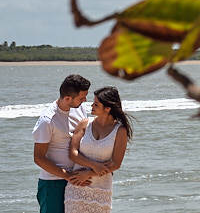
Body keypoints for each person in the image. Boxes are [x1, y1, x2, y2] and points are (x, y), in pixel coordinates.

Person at [63, 87, 132, 213]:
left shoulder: (120, 131)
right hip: (77, 186)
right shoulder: (85, 124)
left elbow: (115, 164)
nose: (91, 105)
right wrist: (94, 165)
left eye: (96, 104)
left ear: (107, 108)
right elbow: (73, 153)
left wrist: (89, 173)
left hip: (101, 190)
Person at [33, 74, 91, 213]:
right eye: (81, 97)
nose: (85, 100)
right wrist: (68, 176)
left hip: (77, 180)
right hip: (53, 183)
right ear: (67, 98)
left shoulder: (80, 108)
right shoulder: (47, 120)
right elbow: (39, 158)